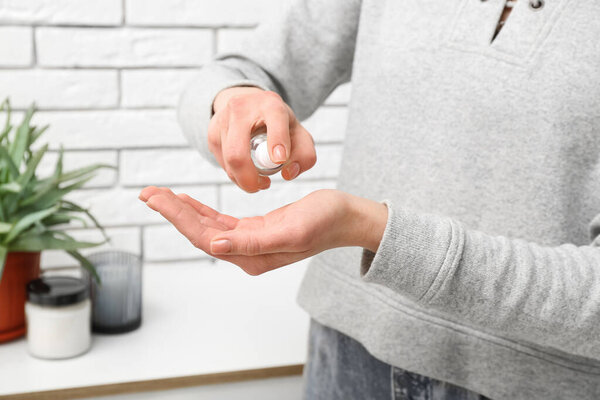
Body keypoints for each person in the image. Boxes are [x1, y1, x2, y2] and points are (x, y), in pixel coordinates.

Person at [138, 0, 600, 398]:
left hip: (540, 383)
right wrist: (234, 102)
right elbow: (238, 71)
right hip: (348, 358)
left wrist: (374, 230)